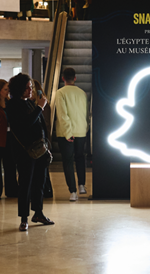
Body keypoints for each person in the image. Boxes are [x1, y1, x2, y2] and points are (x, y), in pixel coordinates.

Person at [6, 73, 54, 231]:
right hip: (24, 152)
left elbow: (39, 125)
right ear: (19, 88)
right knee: (25, 185)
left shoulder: (29, 103)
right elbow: (25, 124)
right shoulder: (13, 105)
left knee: (40, 182)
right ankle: (24, 218)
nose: (30, 90)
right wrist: (40, 107)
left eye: (31, 87)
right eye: (27, 88)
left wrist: (46, 147)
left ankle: (38, 212)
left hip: (38, 151)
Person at [53, 67, 88, 201]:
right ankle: (82, 185)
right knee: (80, 158)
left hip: (66, 133)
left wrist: (68, 132)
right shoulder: (82, 93)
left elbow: (62, 115)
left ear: (63, 79)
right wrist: (85, 128)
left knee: (68, 162)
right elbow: (85, 113)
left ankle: (73, 191)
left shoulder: (60, 93)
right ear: (75, 78)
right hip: (81, 130)